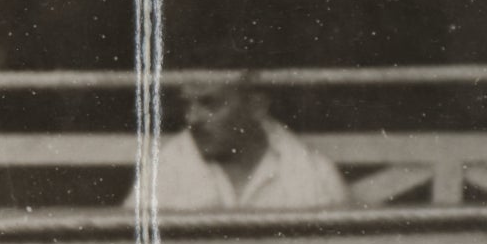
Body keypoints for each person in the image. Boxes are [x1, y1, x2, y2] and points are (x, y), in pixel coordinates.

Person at [129, 72, 354, 211]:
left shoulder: (312, 174)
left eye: (210, 104)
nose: (191, 118)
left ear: (256, 107)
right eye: (188, 104)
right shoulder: (168, 167)